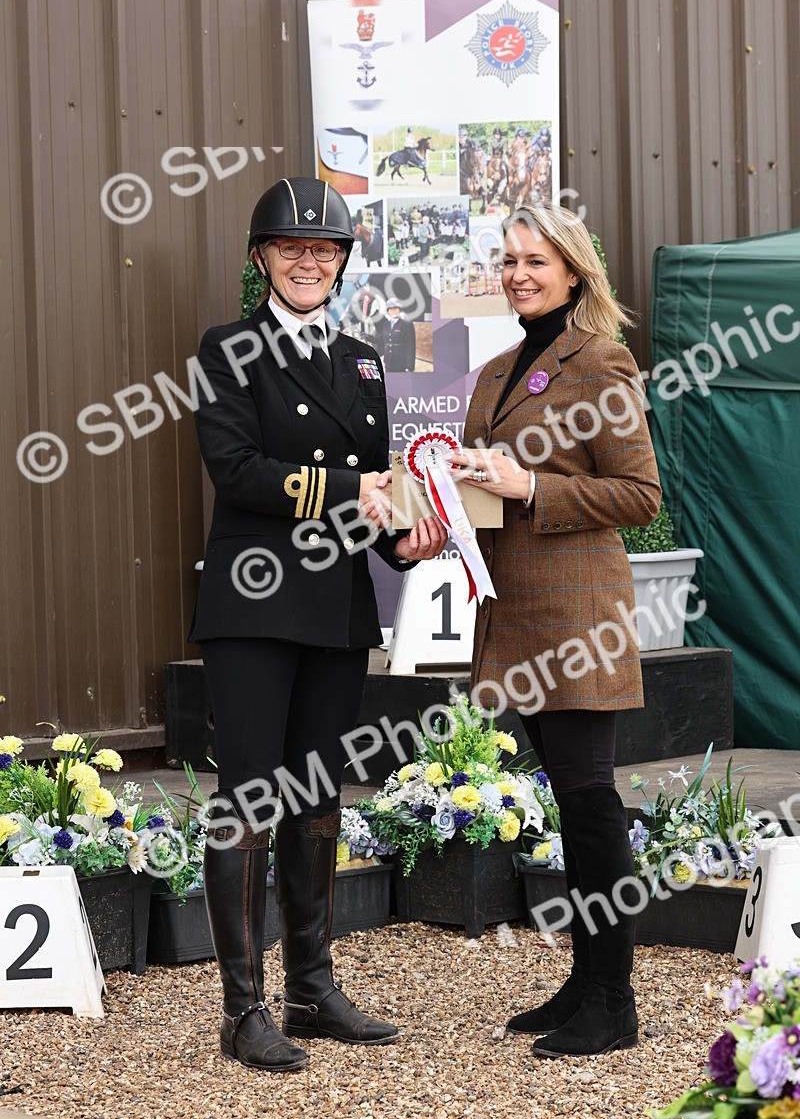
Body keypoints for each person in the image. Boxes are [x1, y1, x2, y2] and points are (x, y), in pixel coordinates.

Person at [189, 176, 447, 1073]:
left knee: (317, 798)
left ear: (342, 263)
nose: (310, 260)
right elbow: (240, 471)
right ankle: (242, 1009)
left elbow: (379, 484)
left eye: (325, 248)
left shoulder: (364, 361)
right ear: (261, 259)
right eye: (292, 247)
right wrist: (356, 492)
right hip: (255, 604)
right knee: (251, 799)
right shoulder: (226, 349)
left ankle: (313, 987)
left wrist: (411, 540)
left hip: (335, 606)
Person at [451, 202, 661, 1059]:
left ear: (574, 271)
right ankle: (585, 980)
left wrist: (531, 486)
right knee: (572, 808)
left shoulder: (602, 363)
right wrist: (435, 509)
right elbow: (470, 489)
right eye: (507, 261)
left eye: (534, 261)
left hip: (577, 621)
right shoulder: (498, 369)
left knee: (590, 804)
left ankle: (615, 1001)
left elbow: (640, 496)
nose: (518, 274)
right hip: (513, 618)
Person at [378, 300, 417, 372]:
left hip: (401, 364)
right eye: (391, 309)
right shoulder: (385, 325)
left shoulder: (406, 324)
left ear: (399, 310)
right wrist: (367, 337)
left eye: (396, 309)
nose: (394, 311)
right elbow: (381, 341)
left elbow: (411, 346)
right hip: (388, 364)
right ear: (388, 311)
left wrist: (409, 367)